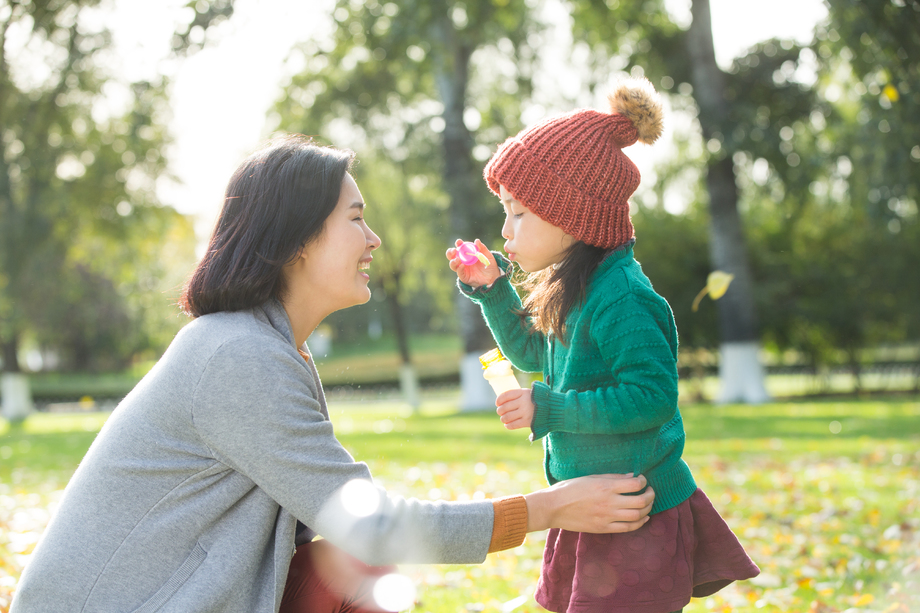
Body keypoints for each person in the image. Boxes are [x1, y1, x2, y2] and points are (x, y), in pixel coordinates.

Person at [9, 134, 657, 613]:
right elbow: (368, 520)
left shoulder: (270, 345)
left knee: (350, 571)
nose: (374, 239)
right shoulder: (236, 356)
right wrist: (546, 508)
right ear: (295, 239)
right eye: (354, 219)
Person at [445, 78, 760, 613]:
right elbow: (530, 353)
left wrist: (551, 407)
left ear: (571, 214)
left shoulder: (624, 300)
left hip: (636, 513)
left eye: (518, 211)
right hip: (588, 504)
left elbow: (652, 397)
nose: (505, 230)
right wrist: (493, 291)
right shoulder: (572, 290)